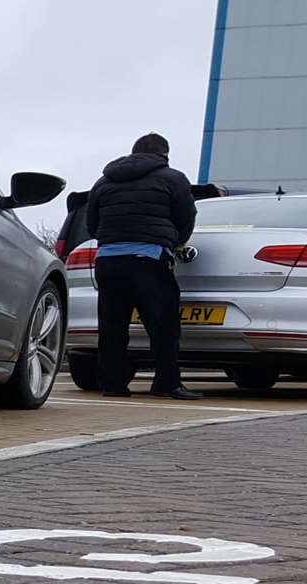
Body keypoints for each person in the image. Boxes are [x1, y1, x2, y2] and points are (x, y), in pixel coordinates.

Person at [84, 133, 202, 400]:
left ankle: (113, 385)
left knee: (112, 325)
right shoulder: (173, 178)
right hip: (149, 259)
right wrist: (174, 240)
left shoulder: (103, 181)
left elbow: (91, 224)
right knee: (163, 325)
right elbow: (186, 216)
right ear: (164, 155)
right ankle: (166, 382)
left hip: (108, 260)